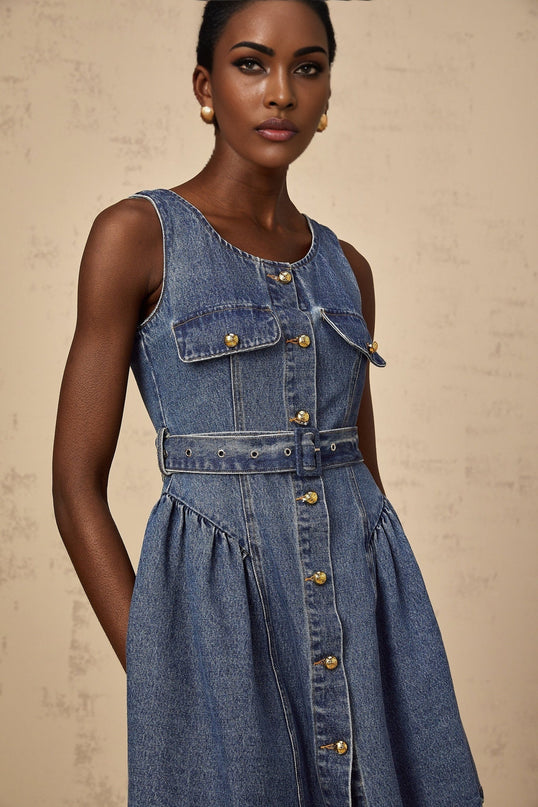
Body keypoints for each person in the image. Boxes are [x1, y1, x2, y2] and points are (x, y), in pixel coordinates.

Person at [53, 1, 484, 805]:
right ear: (205, 86)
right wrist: (160, 664)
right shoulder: (135, 235)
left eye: (307, 68)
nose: (281, 91)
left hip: (366, 620)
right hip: (217, 626)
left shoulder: (349, 269)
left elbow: (363, 475)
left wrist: (385, 634)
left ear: (327, 95)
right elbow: (75, 488)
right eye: (252, 64)